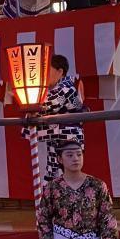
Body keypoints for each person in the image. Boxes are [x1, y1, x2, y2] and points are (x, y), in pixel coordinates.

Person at [30, 54, 84, 182]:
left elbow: (47, 104)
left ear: (60, 72)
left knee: (66, 170)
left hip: (69, 136)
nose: (43, 75)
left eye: (46, 70)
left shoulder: (66, 87)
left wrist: (29, 104)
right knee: (53, 169)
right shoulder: (54, 89)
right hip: (55, 135)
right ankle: (52, 194)